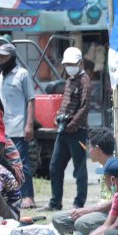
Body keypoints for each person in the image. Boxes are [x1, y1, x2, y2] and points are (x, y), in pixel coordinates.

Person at [41, 46, 91, 211]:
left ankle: (79, 203)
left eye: (72, 63)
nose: (69, 66)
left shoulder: (85, 80)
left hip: (77, 131)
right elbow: (65, 104)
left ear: (80, 63)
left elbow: (84, 108)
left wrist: (71, 125)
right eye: (67, 64)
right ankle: (55, 202)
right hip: (63, 131)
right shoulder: (69, 79)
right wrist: (58, 117)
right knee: (55, 167)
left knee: (79, 169)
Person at [51, 128, 115, 235]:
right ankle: (88, 233)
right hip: (101, 211)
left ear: (97, 149)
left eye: (89, 147)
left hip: (113, 214)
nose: (88, 150)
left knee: (81, 223)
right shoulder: (102, 167)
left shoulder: (116, 169)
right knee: (58, 219)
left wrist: (89, 210)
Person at [0, 42, 35, 209]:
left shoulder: (22, 74)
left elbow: (31, 100)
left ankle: (28, 196)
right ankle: (11, 196)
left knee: (21, 164)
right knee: (4, 167)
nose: (0, 60)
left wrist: (29, 124)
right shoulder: (0, 75)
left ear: (12, 57)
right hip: (3, 129)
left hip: (18, 126)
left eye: (3, 57)